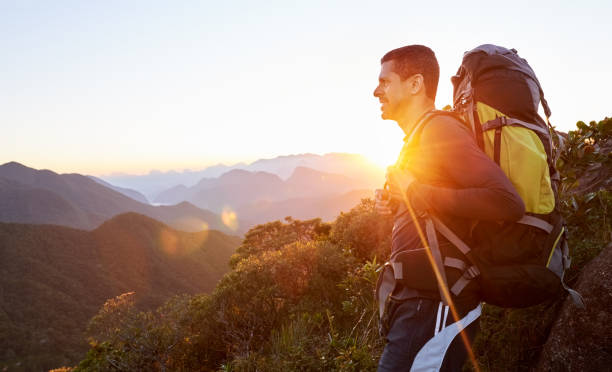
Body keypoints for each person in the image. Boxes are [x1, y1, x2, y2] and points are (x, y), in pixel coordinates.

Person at [373, 45, 525, 371]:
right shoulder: (417, 139)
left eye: (385, 82)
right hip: (418, 304)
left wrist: (414, 190)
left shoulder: (440, 130)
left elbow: (507, 202)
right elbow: (436, 208)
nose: (376, 91)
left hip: (439, 305)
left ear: (415, 84)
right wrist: (400, 202)